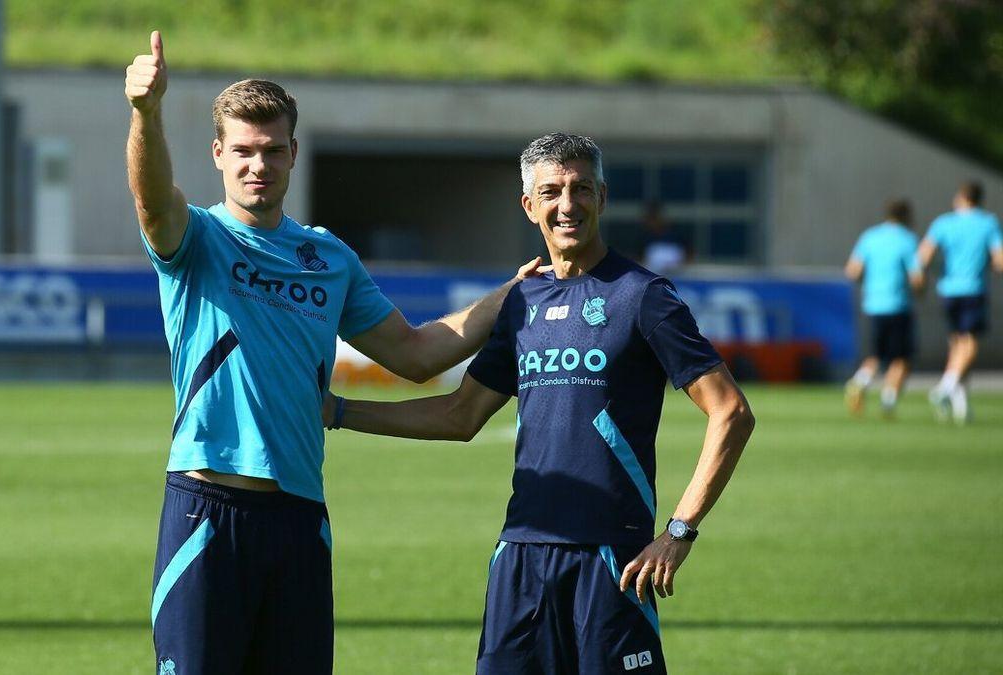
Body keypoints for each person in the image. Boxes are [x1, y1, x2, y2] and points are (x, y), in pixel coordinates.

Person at [124, 31, 545, 675]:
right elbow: (153, 202)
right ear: (217, 154)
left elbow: (416, 354)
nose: (256, 165)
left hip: (299, 517)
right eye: (242, 151)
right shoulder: (198, 240)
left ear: (294, 154)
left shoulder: (329, 259)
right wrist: (146, 114)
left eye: (271, 150)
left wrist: (510, 295)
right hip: (206, 510)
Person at [324, 133, 755, 674]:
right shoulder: (520, 302)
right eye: (551, 192)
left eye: (580, 189)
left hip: (611, 557)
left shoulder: (644, 297)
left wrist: (678, 532)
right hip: (520, 557)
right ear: (530, 206)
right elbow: (460, 416)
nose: (567, 205)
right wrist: (339, 412)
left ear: (602, 196)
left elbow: (731, 412)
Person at [918, 181, 1003, 424]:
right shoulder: (988, 223)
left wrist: (933, 273)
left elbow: (923, 256)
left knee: (957, 345)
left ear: (962, 197)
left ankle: (961, 406)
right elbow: (999, 259)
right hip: (973, 288)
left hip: (948, 289)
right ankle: (945, 388)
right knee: (970, 343)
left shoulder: (944, 223)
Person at [843, 199, 924, 418]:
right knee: (901, 358)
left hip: (873, 304)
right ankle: (888, 402)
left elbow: (852, 271)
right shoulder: (908, 240)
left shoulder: (870, 237)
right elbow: (917, 277)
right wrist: (920, 293)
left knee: (877, 354)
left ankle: (858, 381)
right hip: (898, 305)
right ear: (907, 216)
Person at [640, 201, 690, 276]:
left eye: (655, 219)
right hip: (653, 276)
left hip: (677, 275)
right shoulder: (644, 237)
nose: (653, 223)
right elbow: (639, 259)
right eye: (650, 219)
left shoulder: (676, 234)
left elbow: (689, 254)